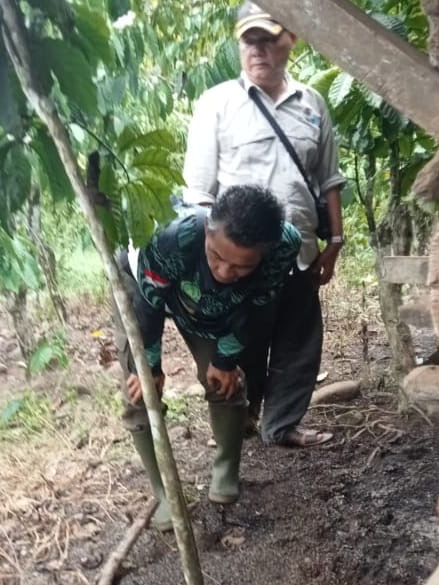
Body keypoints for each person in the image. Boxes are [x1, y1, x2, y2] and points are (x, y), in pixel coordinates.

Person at [182, 2, 346, 448]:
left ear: (290, 39)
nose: (257, 50)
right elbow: (198, 195)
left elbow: (329, 178)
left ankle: (283, 425)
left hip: (299, 252)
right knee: (244, 339)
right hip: (243, 260)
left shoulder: (313, 105)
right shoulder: (217, 104)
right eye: (248, 41)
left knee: (299, 339)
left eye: (267, 39)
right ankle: (243, 419)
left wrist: (335, 240)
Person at [114, 185, 300, 531]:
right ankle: (165, 494)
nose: (225, 271)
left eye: (240, 266)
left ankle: (225, 474)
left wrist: (226, 359)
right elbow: (148, 308)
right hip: (145, 289)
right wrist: (150, 367)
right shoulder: (170, 238)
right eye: (216, 256)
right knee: (140, 392)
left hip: (214, 306)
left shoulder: (283, 247)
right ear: (207, 231)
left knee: (226, 380)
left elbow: (257, 306)